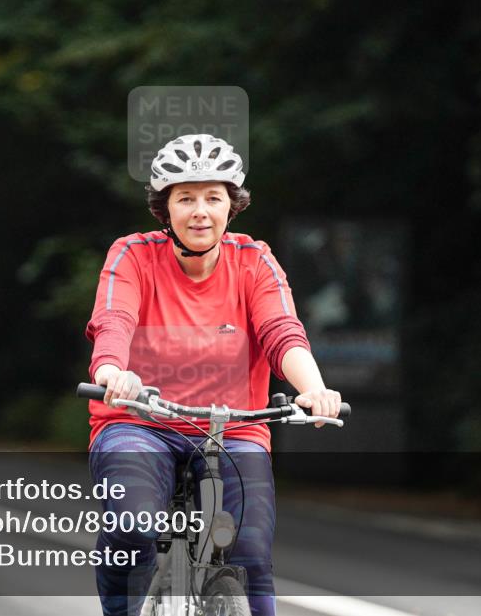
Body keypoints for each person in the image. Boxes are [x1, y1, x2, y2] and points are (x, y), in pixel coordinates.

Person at [84, 134, 341, 616]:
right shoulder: (133, 255)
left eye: (212, 197)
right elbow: (113, 320)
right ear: (165, 209)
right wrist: (112, 371)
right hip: (138, 422)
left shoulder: (254, 261)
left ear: (232, 206)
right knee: (134, 529)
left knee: (251, 554)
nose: (200, 210)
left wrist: (314, 389)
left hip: (233, 429)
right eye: (186, 198)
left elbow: (281, 330)